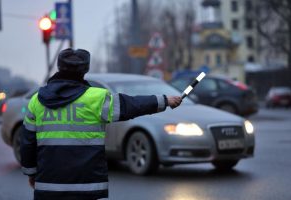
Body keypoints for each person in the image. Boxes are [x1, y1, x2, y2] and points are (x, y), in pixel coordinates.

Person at [20, 48, 182, 200]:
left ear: (59, 67)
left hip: (48, 186)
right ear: (85, 69)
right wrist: (164, 100)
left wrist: (31, 173)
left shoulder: (37, 101)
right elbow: (131, 105)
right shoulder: (97, 98)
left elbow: (27, 143)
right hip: (86, 186)